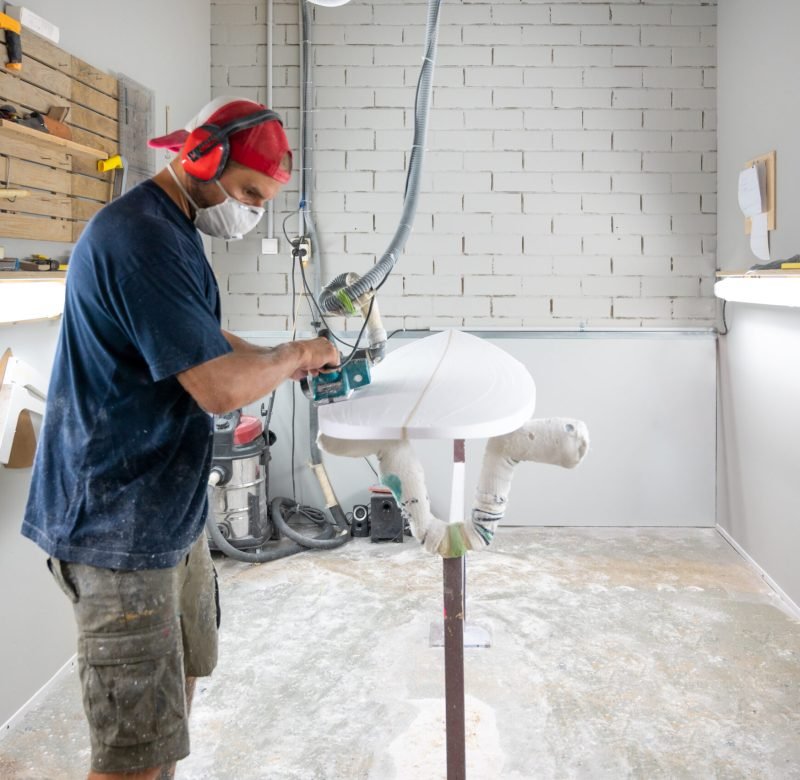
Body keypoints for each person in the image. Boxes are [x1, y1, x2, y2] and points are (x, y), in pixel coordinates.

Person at [21, 97, 338, 780]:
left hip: (164, 510)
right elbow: (219, 389)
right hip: (115, 525)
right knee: (134, 750)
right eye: (250, 192)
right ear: (203, 158)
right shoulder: (140, 238)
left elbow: (196, 337)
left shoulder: (169, 228)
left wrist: (279, 353)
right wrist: (297, 355)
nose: (251, 212)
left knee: (172, 707)